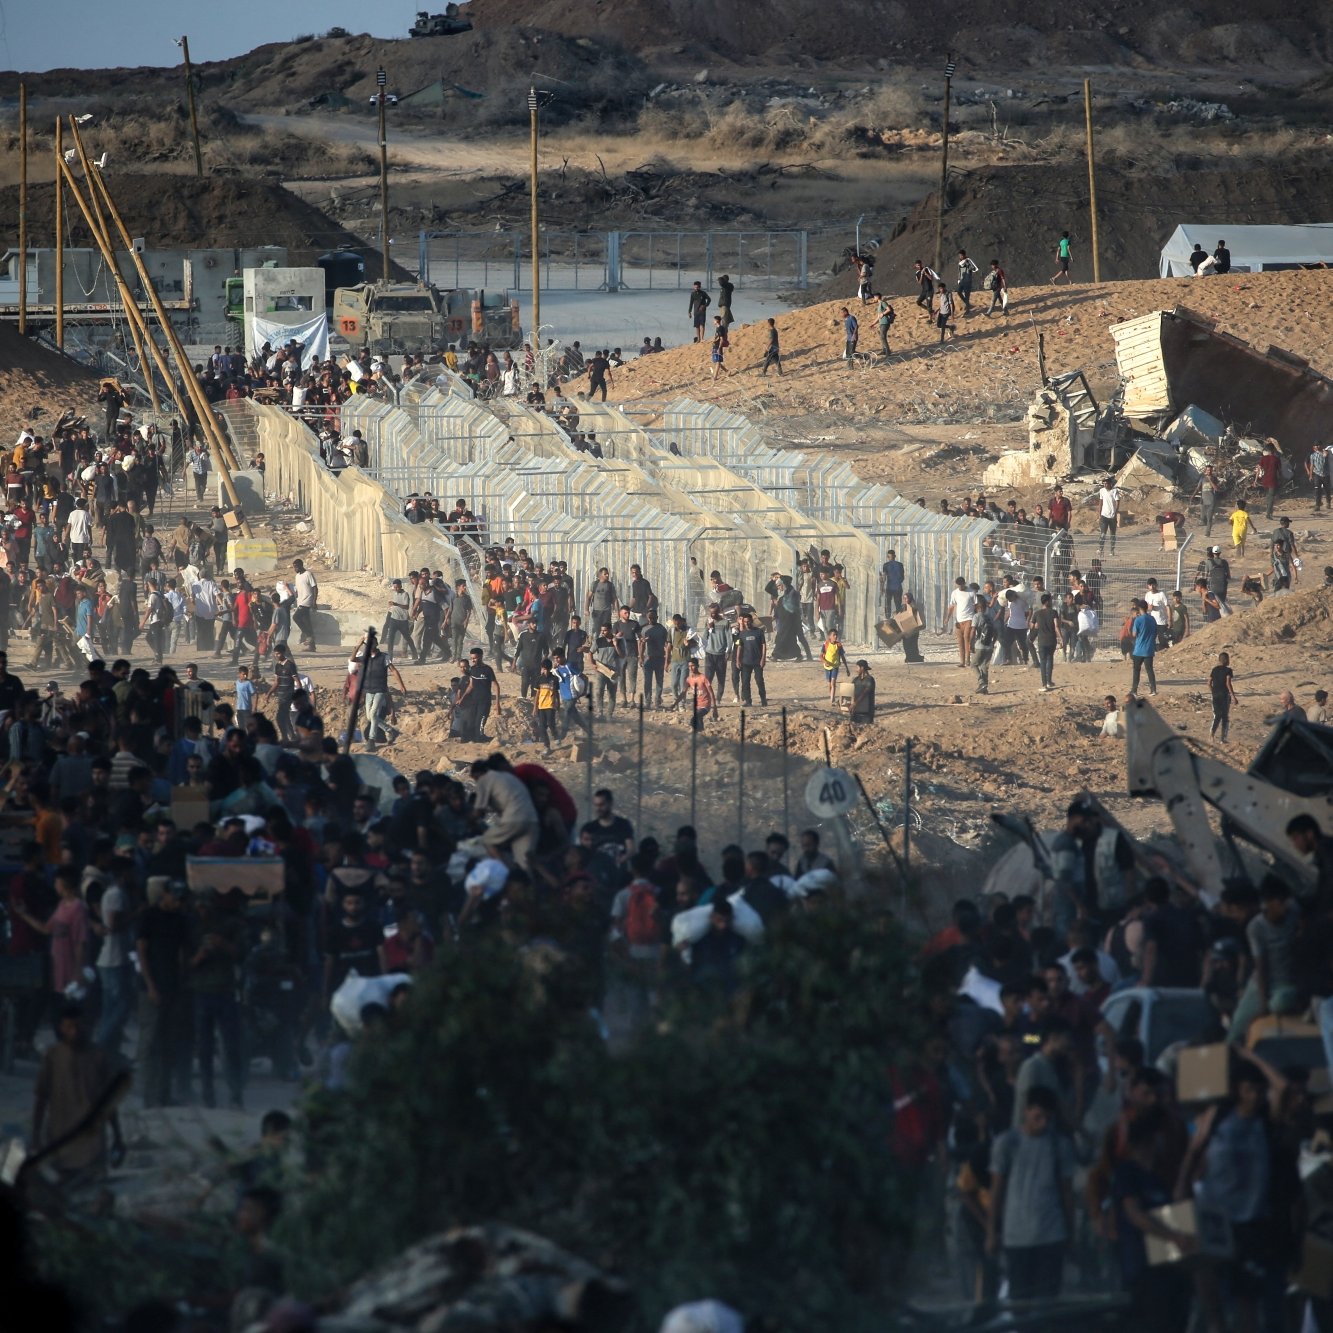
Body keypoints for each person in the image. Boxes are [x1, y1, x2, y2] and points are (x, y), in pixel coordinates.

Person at [987, 1085, 1075, 1300]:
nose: (1042, 1120)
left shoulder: (1059, 1145)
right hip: (1017, 1237)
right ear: (1026, 1110)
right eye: (1038, 1114)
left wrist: (1071, 1233)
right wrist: (991, 1233)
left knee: (1047, 1302)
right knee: (1020, 1301)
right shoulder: (1007, 1143)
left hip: (1051, 1234)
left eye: (1047, 1115)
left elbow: (1067, 1193)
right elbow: (996, 1192)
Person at [33, 1004, 125, 1179]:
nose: (74, 1032)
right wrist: (36, 1136)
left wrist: (118, 1136)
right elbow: (41, 1098)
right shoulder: (52, 1056)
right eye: (69, 1027)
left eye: (78, 1026)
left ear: (86, 1026)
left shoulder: (98, 1056)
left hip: (92, 1146)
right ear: (61, 1028)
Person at [734, 611, 767, 707]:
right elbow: (739, 647)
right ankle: (748, 701)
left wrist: (763, 659)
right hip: (745, 662)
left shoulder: (759, 632)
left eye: (748, 621)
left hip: (757, 661)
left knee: (759, 680)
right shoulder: (741, 634)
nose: (747, 623)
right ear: (743, 622)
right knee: (745, 682)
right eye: (745, 622)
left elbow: (764, 645)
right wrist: (737, 660)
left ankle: (763, 699)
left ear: (751, 621)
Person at [1128, 599, 1158, 697]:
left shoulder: (1138, 620)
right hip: (1149, 649)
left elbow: (1134, 634)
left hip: (1139, 649)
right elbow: (1155, 632)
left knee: (1136, 670)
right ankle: (1153, 690)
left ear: (1139, 608)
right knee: (1150, 670)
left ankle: (1134, 690)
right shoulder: (1152, 619)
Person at [1209, 651, 1237, 741]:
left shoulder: (1214, 670)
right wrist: (1233, 696)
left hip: (1215, 695)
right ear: (1226, 660)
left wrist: (1213, 692)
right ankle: (1223, 739)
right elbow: (1228, 683)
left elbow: (1208, 683)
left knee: (1217, 715)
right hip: (1224, 696)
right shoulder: (1228, 670)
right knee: (1224, 716)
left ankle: (1212, 734)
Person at [685, 658, 715, 732]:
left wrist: (715, 708)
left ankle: (697, 736)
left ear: (697, 666)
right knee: (699, 723)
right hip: (697, 706)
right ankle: (702, 738)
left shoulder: (703, 678)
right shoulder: (689, 679)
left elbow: (711, 693)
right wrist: (675, 703)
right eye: (689, 666)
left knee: (693, 720)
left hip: (705, 705)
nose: (691, 668)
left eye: (692, 666)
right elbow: (683, 692)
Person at [1254, 441, 1281, 519]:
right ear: (1274, 450)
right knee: (1271, 497)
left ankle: (1269, 511)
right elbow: (1280, 471)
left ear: (1268, 450)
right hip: (1273, 479)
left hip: (1265, 480)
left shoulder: (1263, 458)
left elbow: (1258, 470)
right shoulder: (1276, 459)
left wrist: (1255, 480)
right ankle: (1268, 514)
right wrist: (1280, 479)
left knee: (1268, 496)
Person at [821, 628, 848, 705]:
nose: (835, 636)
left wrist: (846, 668)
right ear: (830, 636)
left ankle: (832, 700)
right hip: (827, 667)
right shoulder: (825, 644)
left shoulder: (839, 645)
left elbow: (842, 656)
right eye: (834, 635)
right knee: (829, 684)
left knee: (833, 683)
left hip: (835, 666)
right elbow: (821, 656)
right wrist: (825, 662)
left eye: (836, 635)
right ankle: (832, 698)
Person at [1096, 478, 1120, 555]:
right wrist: (1099, 514)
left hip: (1112, 516)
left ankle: (1112, 550)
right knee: (1103, 534)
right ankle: (1100, 549)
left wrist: (1115, 513)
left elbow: (1117, 502)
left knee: (1112, 534)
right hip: (1104, 515)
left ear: (1110, 484)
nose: (1105, 485)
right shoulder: (1102, 491)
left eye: (1106, 483)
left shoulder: (1115, 491)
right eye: (1104, 483)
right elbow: (1101, 502)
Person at [850, 659, 875, 724]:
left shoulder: (870, 680)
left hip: (867, 712)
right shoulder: (856, 680)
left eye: (857, 667)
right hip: (856, 711)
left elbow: (865, 693)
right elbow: (850, 691)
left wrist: (855, 703)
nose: (856, 670)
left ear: (862, 668)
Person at [708, 316, 730, 382]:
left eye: (714, 320)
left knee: (718, 362)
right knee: (717, 362)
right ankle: (727, 371)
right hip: (715, 346)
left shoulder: (720, 328)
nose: (713, 321)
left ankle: (715, 377)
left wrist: (719, 348)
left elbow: (722, 339)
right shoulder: (718, 328)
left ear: (717, 321)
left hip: (718, 347)